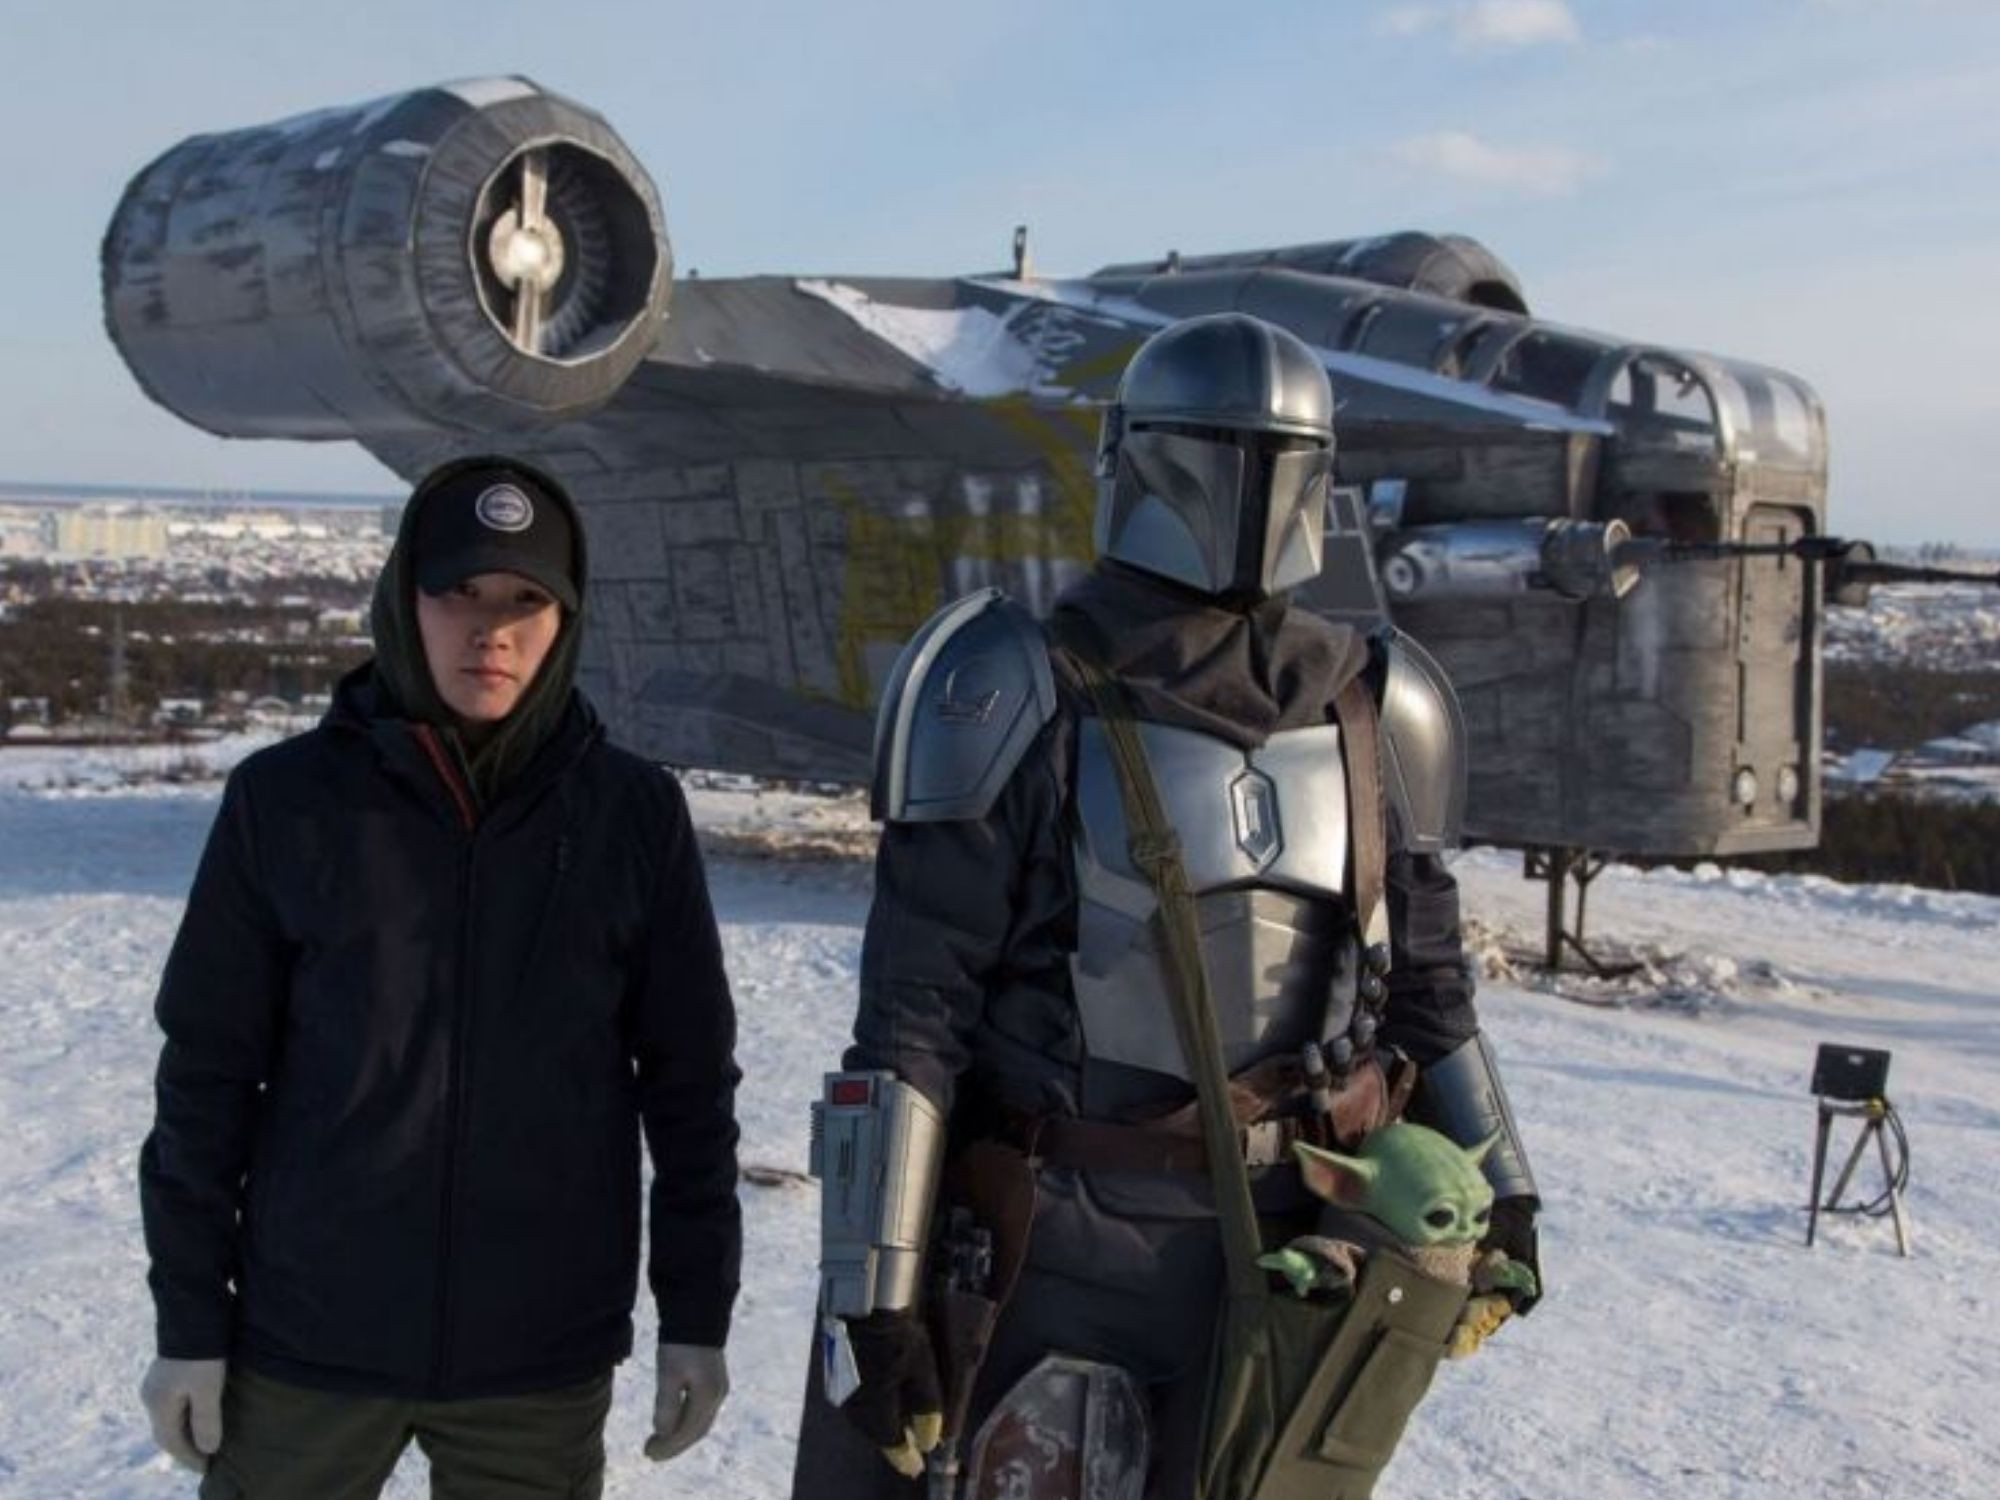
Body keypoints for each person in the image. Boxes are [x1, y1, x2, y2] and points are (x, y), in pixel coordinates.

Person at [792, 314, 1542, 1498]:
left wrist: (1500, 1196)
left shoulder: (1371, 705)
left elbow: (1428, 998)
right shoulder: (1008, 684)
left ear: (1125, 458)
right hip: (1048, 1250)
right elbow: (910, 1029)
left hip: (1296, 1256)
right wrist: (874, 1297)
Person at [137, 457, 741, 1498]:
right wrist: (191, 1323)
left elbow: (688, 1086)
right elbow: (206, 1077)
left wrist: (696, 1317)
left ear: (567, 617)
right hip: (306, 1349)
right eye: (457, 592)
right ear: (401, 598)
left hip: (536, 1361)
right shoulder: (285, 805)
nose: (490, 629)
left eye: (524, 600)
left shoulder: (631, 817)